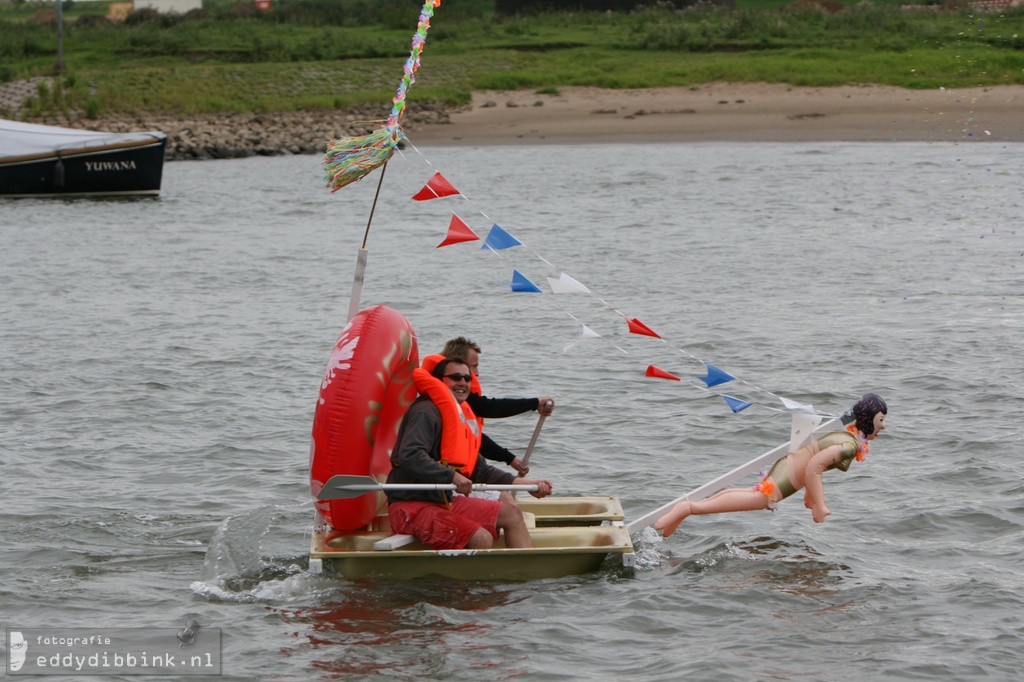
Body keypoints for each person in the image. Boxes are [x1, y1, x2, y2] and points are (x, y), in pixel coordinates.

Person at [655, 393, 889, 537]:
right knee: (758, 500)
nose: (884, 426)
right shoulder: (850, 445)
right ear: (867, 419)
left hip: (789, 468)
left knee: (752, 494)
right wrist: (819, 504)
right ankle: (687, 509)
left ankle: (685, 511)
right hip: (789, 475)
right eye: (881, 419)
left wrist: (810, 495)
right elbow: (814, 467)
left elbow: (815, 464)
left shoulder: (849, 439)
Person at [385, 356, 554, 550]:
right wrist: (452, 476)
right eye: (456, 377)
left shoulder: (460, 416)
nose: (463, 383)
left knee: (512, 514)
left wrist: (528, 486)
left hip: (444, 501)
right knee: (480, 537)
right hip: (411, 506)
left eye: (467, 378)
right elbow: (411, 455)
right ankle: (476, 580)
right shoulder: (425, 412)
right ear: (439, 380)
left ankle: (525, 576)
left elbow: (479, 469)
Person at [441, 336, 555, 477]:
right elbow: (489, 407)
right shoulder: (444, 398)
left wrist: (510, 459)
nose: (477, 373)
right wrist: (534, 403)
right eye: (474, 366)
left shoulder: (454, 398)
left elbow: (475, 437)